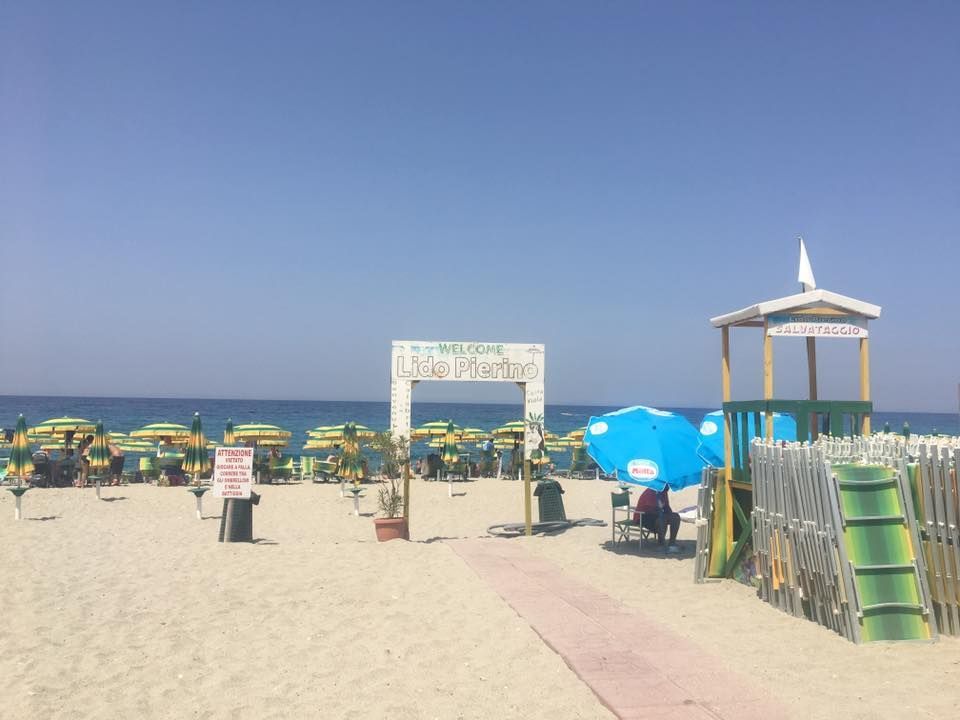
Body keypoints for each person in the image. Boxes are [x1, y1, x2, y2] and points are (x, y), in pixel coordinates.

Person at [633, 486, 681, 553]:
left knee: (675, 517)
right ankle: (661, 544)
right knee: (662, 519)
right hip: (642, 516)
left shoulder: (663, 493)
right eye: (667, 486)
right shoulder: (650, 492)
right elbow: (651, 510)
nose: (668, 488)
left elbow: (667, 507)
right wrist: (664, 513)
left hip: (655, 515)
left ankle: (672, 543)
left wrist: (670, 514)